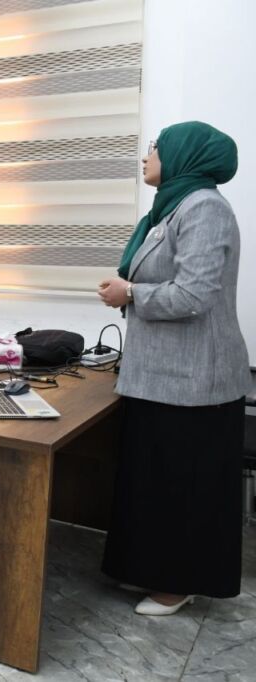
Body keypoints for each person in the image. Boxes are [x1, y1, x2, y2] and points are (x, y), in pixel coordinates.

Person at [97, 121, 250, 616]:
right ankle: (150, 570)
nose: (146, 157)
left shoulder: (204, 208)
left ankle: (177, 584)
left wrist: (130, 293)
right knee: (153, 481)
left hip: (195, 381)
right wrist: (130, 291)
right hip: (162, 375)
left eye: (155, 149)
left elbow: (193, 295)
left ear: (183, 155)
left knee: (182, 487)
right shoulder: (172, 208)